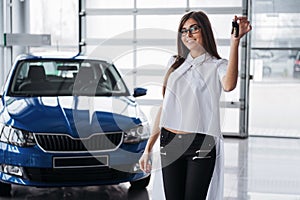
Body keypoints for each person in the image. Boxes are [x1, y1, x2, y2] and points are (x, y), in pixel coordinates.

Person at [139, 11, 252, 200]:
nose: (188, 35)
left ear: (204, 30)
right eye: (184, 31)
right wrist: (148, 148)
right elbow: (165, 106)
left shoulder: (218, 65)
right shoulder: (174, 63)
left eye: (193, 29)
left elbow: (229, 85)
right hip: (170, 141)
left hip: (201, 144)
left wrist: (235, 42)